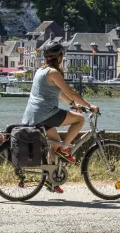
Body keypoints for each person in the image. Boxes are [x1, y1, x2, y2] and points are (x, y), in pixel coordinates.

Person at [22, 37, 99, 193]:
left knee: (54, 145)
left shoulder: (41, 70)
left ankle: (51, 181)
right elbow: (70, 92)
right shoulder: (54, 72)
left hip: (33, 115)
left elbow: (58, 93)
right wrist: (89, 106)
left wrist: (72, 104)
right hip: (45, 114)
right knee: (79, 119)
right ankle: (65, 149)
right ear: (59, 57)